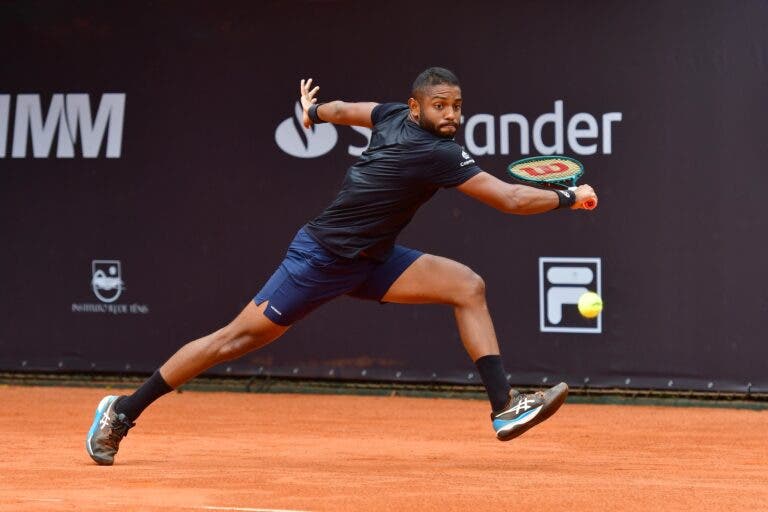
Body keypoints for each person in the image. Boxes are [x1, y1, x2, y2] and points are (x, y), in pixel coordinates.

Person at [86, 67, 597, 465]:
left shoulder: (394, 115)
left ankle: (503, 407)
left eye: (458, 107)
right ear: (416, 106)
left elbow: (347, 109)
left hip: (373, 259)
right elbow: (508, 198)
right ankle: (122, 412)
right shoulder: (436, 153)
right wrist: (569, 197)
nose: (451, 116)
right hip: (322, 258)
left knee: (467, 286)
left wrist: (314, 112)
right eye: (440, 106)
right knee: (232, 341)